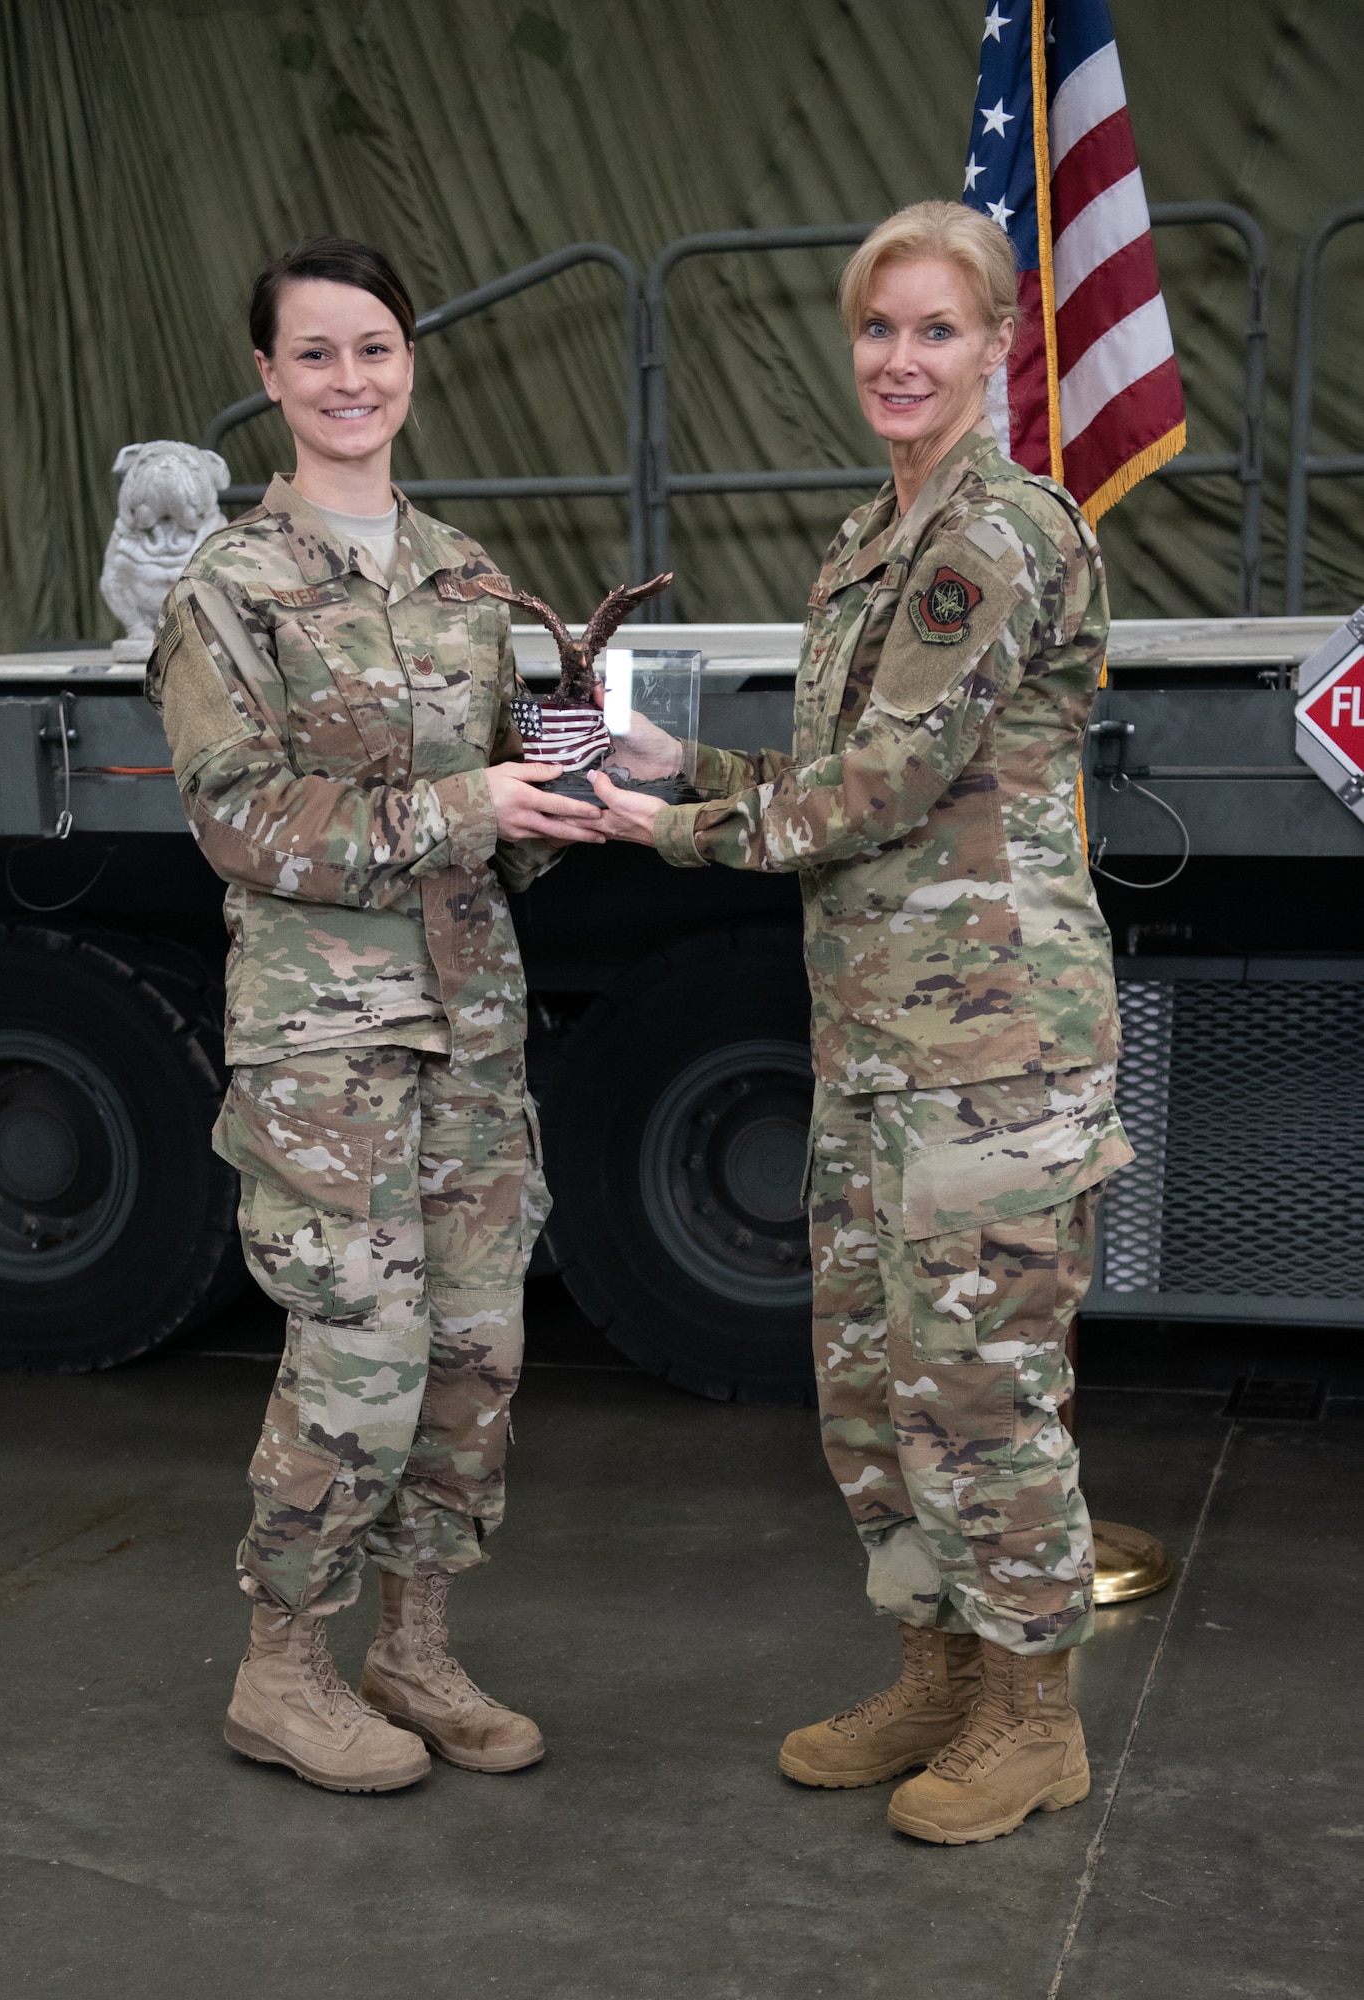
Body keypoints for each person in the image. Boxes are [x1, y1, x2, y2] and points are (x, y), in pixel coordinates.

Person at [591, 200, 1132, 1845]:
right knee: (877, 1391)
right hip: (881, 1055)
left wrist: (664, 833)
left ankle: (1033, 1714)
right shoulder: (871, 541)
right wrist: (693, 772)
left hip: (993, 1062)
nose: (900, 360)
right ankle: (938, 1674)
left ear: (998, 346)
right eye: (877, 331)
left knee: (982, 1394)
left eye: (935, 331)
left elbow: (885, 791)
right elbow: (845, 781)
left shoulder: (994, 535)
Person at [148, 237, 604, 1794]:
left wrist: (570, 787)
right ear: (269, 378)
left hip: (473, 1026)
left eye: (376, 349)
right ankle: (281, 1668)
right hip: (328, 1046)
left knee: (477, 1350)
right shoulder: (231, 586)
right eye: (318, 354)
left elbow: (508, 820)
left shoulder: (472, 581)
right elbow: (245, 821)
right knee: (363, 1356)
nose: (353, 380)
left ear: (411, 365)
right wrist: (466, 800)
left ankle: (414, 1647)